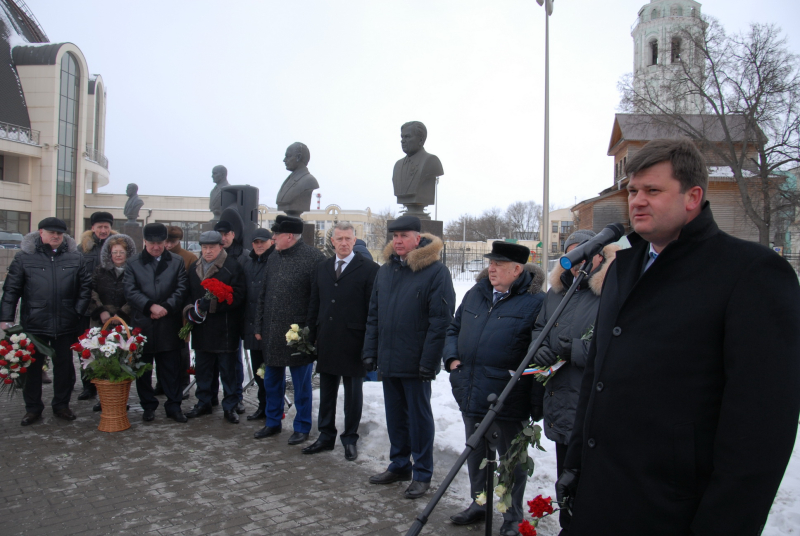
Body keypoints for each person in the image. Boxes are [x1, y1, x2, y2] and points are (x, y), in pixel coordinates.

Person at [556, 139, 800, 535]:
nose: (636, 201)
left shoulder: (750, 273)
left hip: (672, 511)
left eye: (653, 190)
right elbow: (597, 381)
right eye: (633, 191)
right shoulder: (622, 268)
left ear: (693, 197)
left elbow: (761, 430)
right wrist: (576, 469)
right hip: (599, 500)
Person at [443, 242, 545, 535]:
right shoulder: (477, 293)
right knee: (476, 453)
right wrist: (452, 360)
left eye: (499, 264)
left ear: (517, 269)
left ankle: (512, 516)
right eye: (491, 262)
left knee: (511, 459)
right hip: (471, 387)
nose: (492, 268)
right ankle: (480, 504)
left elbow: (538, 350)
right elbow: (454, 328)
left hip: (507, 395)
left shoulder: (536, 302)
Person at [530, 230, 618, 534]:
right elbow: (539, 328)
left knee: (594, 487)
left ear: (599, 254)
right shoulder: (557, 292)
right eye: (572, 254)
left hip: (593, 404)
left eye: (583, 252)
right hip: (561, 400)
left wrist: (577, 350)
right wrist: (540, 350)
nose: (577, 260)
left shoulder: (612, 290)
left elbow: (620, 343)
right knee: (565, 480)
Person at [362, 215, 455, 499]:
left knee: (418, 418)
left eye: (404, 235)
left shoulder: (435, 272)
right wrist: (370, 351)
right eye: (395, 236)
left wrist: (429, 362)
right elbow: (374, 315)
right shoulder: (385, 271)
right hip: (389, 358)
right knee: (395, 417)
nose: (398, 241)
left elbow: (441, 322)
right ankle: (400, 464)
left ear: (418, 237)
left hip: (416, 362)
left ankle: (423, 472)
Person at [0, 217, 92, 425]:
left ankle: (61, 405)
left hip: (66, 322)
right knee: (33, 369)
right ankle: (33, 408)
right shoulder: (24, 258)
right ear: (41, 233)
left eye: (59, 233)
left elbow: (85, 287)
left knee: (64, 367)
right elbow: (11, 290)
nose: (55, 236)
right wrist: (5, 318)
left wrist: (76, 311)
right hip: (34, 323)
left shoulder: (75, 258)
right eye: (51, 232)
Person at [304, 222, 380, 461]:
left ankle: (350, 438)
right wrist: (310, 334)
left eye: (348, 238)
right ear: (332, 242)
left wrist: (370, 343)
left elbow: (372, 311)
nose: (344, 243)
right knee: (327, 391)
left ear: (355, 240)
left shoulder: (369, 269)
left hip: (353, 341)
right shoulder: (323, 267)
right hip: (327, 338)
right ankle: (326, 435)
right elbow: (315, 303)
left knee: (353, 394)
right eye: (339, 239)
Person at [253, 215, 325, 444]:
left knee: (301, 385)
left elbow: (318, 298)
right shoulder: (273, 257)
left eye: (276, 235)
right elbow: (263, 294)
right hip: (272, 331)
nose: (272, 238)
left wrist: (309, 331)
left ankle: (302, 426)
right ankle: (273, 421)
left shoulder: (314, 258)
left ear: (289, 237)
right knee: (272, 381)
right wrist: (259, 324)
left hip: (298, 335)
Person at [123, 223, 189, 423]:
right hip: (143, 322)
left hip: (168, 323)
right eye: (151, 243)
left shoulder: (176, 262)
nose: (156, 247)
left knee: (171, 368)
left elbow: (181, 289)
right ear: (144, 242)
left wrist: (166, 308)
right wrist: (150, 306)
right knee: (144, 368)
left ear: (165, 243)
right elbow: (130, 290)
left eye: (159, 243)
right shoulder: (133, 263)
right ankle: (148, 406)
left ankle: (174, 405)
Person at [183, 231, 246, 424]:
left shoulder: (232, 267)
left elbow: (238, 296)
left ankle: (230, 406)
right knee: (203, 369)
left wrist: (213, 304)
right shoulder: (195, 267)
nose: (208, 251)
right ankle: (204, 402)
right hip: (202, 328)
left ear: (221, 247)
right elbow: (188, 293)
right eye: (204, 247)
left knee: (228, 371)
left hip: (225, 328)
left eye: (212, 247)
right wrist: (191, 310)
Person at [89, 234, 137, 412]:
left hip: (124, 320)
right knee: (102, 359)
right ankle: (104, 396)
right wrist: (101, 311)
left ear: (128, 253)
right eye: (114, 252)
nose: (118, 255)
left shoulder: (133, 271)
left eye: (121, 252)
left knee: (122, 359)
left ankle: (121, 396)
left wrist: (121, 313)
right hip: (102, 321)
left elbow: (135, 293)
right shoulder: (100, 270)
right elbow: (92, 291)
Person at [76, 210, 117, 401]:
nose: (103, 230)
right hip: (87, 305)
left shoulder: (117, 246)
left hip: (110, 306)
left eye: (106, 227)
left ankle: (108, 381)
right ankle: (88, 385)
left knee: (110, 345)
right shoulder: (82, 249)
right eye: (99, 227)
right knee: (87, 347)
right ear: (92, 228)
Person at [214, 218, 249, 414]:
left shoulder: (244, 256)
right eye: (220, 234)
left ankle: (237, 397)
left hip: (237, 314)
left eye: (226, 234)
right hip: (217, 315)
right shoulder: (213, 254)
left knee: (235, 359)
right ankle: (212, 395)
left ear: (233, 235)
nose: (223, 238)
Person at [242, 228, 275, 421]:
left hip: (268, 327)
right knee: (259, 370)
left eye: (263, 241)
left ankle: (272, 407)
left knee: (270, 371)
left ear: (271, 241)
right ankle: (263, 406)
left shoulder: (275, 261)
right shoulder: (249, 263)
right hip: (252, 326)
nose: (259, 245)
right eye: (256, 242)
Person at [165, 225, 197, 396]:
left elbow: (191, 286)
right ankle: (165, 383)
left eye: (172, 241)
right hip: (165, 310)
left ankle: (184, 380)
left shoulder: (189, 257)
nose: (168, 245)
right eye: (167, 241)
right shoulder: (160, 256)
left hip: (181, 309)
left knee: (182, 348)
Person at [275, 143, 319, 217]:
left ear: (298, 157)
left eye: (288, 156)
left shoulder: (309, 181)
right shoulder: (290, 179)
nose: (284, 160)